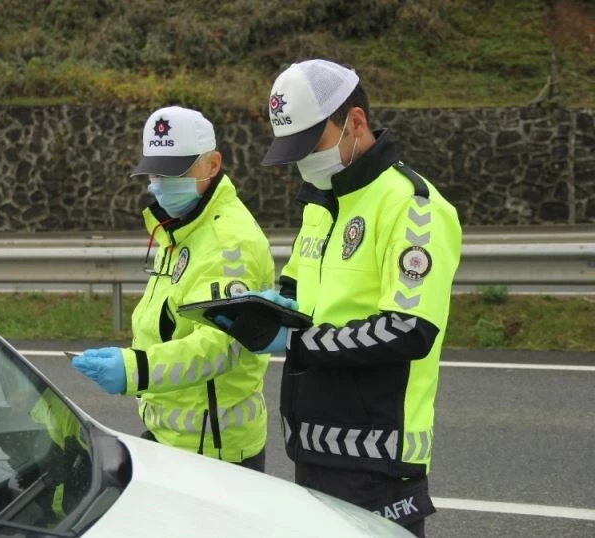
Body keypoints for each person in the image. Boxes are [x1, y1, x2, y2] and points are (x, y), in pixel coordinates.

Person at [216, 60, 462, 536]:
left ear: (355, 122)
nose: (305, 161)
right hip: (312, 443)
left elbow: (409, 329)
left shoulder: (413, 206)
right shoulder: (322, 201)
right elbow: (297, 289)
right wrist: (264, 309)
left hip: (378, 456)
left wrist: (297, 342)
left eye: (312, 144)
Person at [71, 105, 275, 471]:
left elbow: (219, 347)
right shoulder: (182, 228)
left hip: (214, 452)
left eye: (176, 171)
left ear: (213, 164)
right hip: (174, 438)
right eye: (156, 172)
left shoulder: (229, 241)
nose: (162, 183)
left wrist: (134, 369)